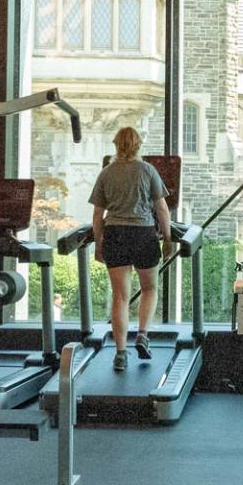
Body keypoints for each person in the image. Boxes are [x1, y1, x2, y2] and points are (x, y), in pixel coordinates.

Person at [89, 126, 172, 374]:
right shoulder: (147, 170)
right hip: (143, 235)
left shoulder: (106, 173)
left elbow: (97, 214)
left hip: (115, 234)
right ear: (138, 146)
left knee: (120, 297)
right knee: (149, 288)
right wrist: (167, 239)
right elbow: (162, 209)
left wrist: (98, 242)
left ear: (116, 145)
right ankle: (143, 335)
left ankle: (120, 353)